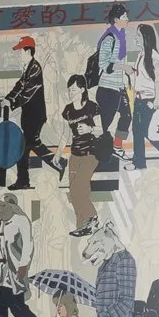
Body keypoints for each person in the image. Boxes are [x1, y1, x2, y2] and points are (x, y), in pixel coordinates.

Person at [0, 191, 40, 317]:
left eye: (3, 206)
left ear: (12, 206)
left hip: (13, 269)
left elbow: (28, 245)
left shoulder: (21, 221)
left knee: (15, 304)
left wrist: (23, 266)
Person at [4, 32, 47, 191]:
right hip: (30, 116)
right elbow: (19, 86)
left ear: (28, 51)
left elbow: (26, 94)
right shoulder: (28, 67)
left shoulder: (35, 68)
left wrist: (12, 103)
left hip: (35, 116)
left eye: (19, 51)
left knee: (23, 148)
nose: (17, 55)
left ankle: (23, 181)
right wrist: (8, 98)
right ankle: (59, 164)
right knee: (30, 146)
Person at [60, 72, 101, 233]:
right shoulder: (68, 110)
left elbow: (103, 130)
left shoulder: (92, 107)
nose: (71, 93)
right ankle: (81, 226)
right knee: (74, 191)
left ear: (83, 90)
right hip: (75, 154)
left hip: (90, 153)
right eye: (69, 90)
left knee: (79, 188)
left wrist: (90, 129)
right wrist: (58, 154)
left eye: (74, 90)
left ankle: (92, 217)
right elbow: (65, 134)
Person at [127, 18, 159, 167]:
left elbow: (158, 78)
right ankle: (139, 163)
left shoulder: (154, 55)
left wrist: (157, 99)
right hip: (139, 98)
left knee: (146, 130)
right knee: (137, 130)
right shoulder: (140, 54)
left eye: (138, 36)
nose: (136, 38)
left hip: (149, 98)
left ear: (146, 38)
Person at [93, 7, 132, 145]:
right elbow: (103, 64)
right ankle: (104, 151)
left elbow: (120, 60)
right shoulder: (109, 38)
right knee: (106, 124)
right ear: (116, 20)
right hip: (107, 89)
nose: (127, 19)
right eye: (124, 17)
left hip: (119, 87)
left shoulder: (121, 37)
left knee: (127, 115)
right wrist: (123, 67)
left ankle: (117, 145)